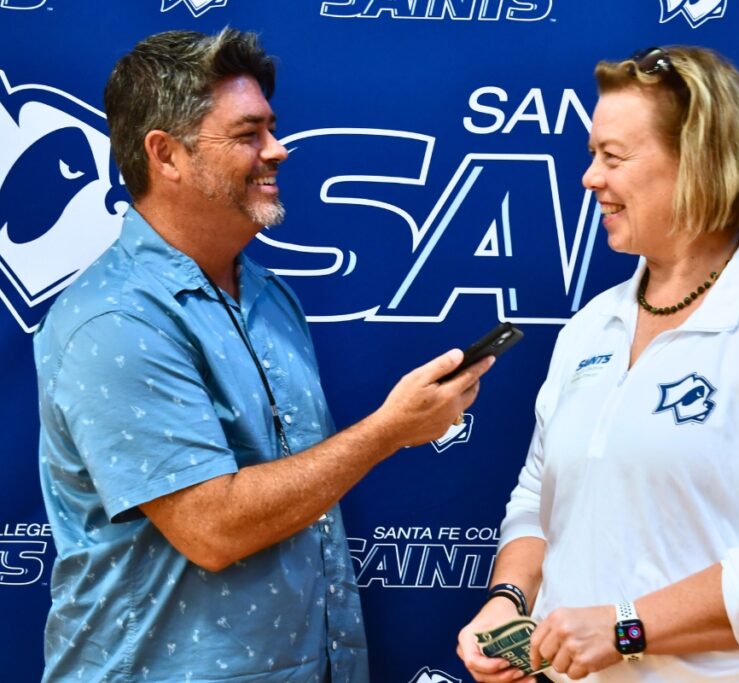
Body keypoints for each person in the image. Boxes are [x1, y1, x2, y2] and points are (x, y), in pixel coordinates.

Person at [34, 29, 491, 683]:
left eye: (271, 129)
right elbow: (211, 527)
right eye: (248, 134)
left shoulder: (271, 298)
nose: (277, 150)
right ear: (166, 155)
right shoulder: (114, 319)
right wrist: (390, 430)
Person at [456, 46, 739, 683]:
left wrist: (626, 627)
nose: (589, 178)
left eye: (613, 157)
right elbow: (541, 496)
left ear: (698, 164)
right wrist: (508, 602)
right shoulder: (590, 327)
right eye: (592, 154)